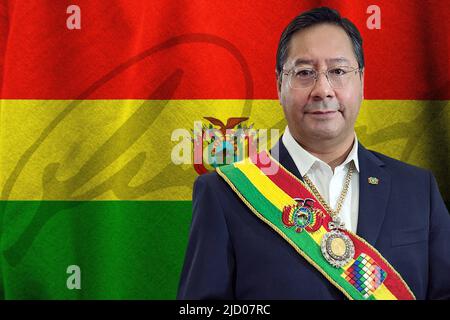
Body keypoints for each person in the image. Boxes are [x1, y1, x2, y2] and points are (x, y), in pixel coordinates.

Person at [177, 7, 450, 300]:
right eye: (305, 73)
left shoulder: (417, 190)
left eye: (338, 71)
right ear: (279, 84)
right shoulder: (224, 193)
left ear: (361, 82)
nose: (323, 89)